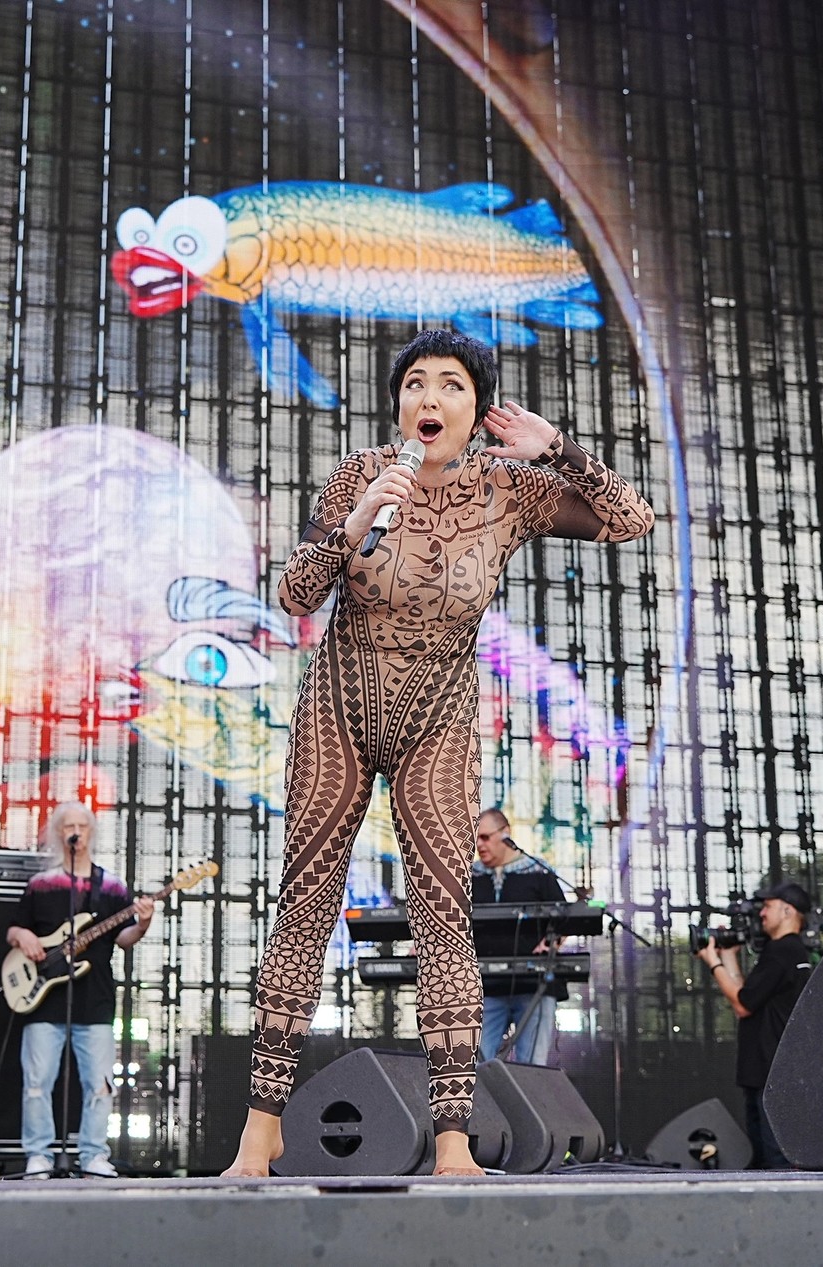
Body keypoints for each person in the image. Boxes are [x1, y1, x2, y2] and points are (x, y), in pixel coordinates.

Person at [224, 328, 654, 1177]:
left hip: (439, 718)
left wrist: (558, 449)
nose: (429, 396)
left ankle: (453, 1139)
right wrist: (355, 523)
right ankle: (259, 1130)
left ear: (476, 408)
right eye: (415, 382)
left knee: (443, 915)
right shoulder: (359, 473)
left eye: (451, 384)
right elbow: (295, 595)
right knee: (305, 904)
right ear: (399, 405)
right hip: (339, 708)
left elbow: (631, 519)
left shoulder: (509, 489)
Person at [3, 802, 154, 1178]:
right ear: (59, 833)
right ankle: (39, 1155)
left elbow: (124, 939)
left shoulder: (113, 886)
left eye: (82, 826)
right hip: (42, 998)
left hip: (95, 998)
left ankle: (93, 1156)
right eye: (68, 825)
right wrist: (23, 937)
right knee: (37, 1082)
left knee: (100, 1084)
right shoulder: (41, 884)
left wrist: (143, 923)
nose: (76, 832)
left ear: (91, 832)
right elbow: (14, 928)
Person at [698, 881, 813, 1169]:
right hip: (767, 1067)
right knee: (764, 1155)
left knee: (775, 1158)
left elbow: (742, 1005)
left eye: (768, 906)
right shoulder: (789, 951)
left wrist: (713, 962)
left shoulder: (782, 951)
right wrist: (728, 957)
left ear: (787, 911)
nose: (762, 913)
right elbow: (748, 996)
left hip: (770, 1067)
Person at [471, 808, 567, 1065]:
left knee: (531, 1067)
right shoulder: (469, 876)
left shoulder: (538, 871)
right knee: (474, 1067)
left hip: (534, 985)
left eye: (485, 837)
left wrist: (553, 941)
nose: (479, 844)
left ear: (506, 834)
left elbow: (565, 919)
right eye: (475, 838)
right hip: (483, 987)